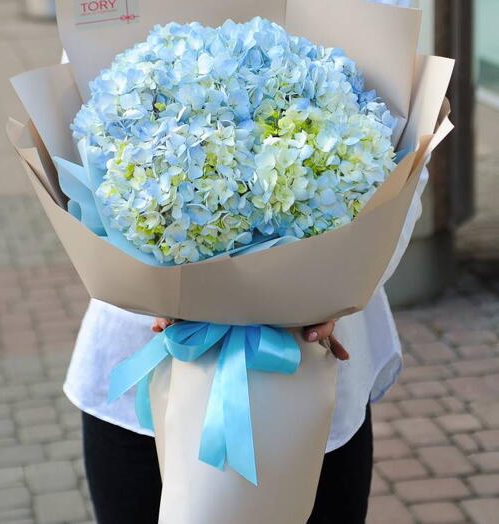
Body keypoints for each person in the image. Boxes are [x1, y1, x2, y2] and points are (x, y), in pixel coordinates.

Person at [63, 0, 421, 522]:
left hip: (313, 373)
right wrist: (154, 280)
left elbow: (406, 160)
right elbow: (88, 107)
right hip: (141, 358)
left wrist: (346, 284)